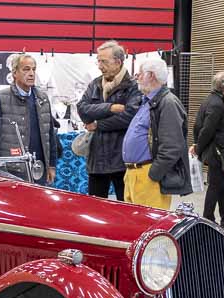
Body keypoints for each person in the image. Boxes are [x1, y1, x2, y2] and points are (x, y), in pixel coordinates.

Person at [121, 57, 192, 210]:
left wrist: (153, 174)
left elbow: (172, 146)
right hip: (134, 174)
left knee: (147, 225)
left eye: (140, 73)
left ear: (151, 75)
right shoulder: (147, 101)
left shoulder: (168, 103)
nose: (137, 77)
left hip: (148, 176)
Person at [77, 40, 141, 200]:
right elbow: (82, 109)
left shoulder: (133, 86)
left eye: (103, 61)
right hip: (96, 160)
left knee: (126, 210)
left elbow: (129, 117)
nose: (99, 65)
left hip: (123, 160)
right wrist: (109, 108)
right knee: (95, 211)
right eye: (98, 61)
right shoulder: (95, 84)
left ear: (118, 62)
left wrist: (98, 124)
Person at [0, 53, 57, 184]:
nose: (31, 73)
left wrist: (51, 165)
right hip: (12, 170)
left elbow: (50, 135)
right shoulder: (1, 98)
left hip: (39, 168)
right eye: (26, 69)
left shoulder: (43, 99)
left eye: (33, 69)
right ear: (14, 73)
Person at [195, 71, 224, 229]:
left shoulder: (218, 100)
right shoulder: (216, 104)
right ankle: (208, 219)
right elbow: (206, 130)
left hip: (219, 150)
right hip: (216, 152)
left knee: (222, 184)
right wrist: (198, 148)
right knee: (215, 185)